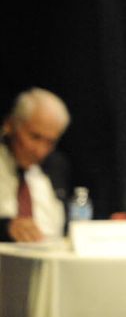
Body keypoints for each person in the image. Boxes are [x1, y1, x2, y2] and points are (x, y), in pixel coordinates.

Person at [0, 87, 72, 242]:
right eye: (35, 137)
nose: (40, 151)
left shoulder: (55, 166)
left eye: (50, 142)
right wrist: (6, 228)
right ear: (10, 125)